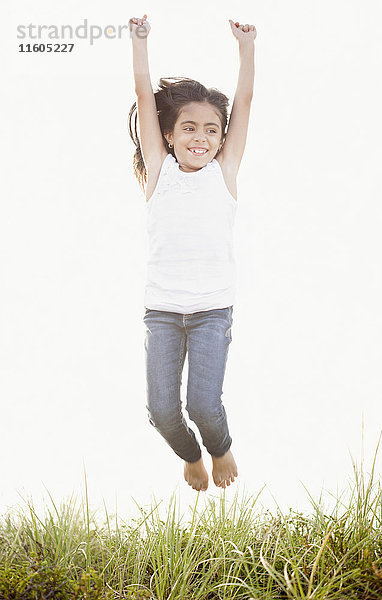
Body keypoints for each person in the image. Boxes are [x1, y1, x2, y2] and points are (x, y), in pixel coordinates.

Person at [128, 14, 256, 492]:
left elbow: (242, 103)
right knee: (162, 412)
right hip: (162, 311)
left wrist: (246, 50)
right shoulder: (160, 174)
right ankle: (190, 455)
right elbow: (145, 98)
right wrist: (140, 42)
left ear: (221, 139)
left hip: (210, 312)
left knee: (203, 405)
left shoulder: (224, 174)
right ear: (169, 135)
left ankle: (220, 448)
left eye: (210, 130)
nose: (199, 137)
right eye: (188, 128)